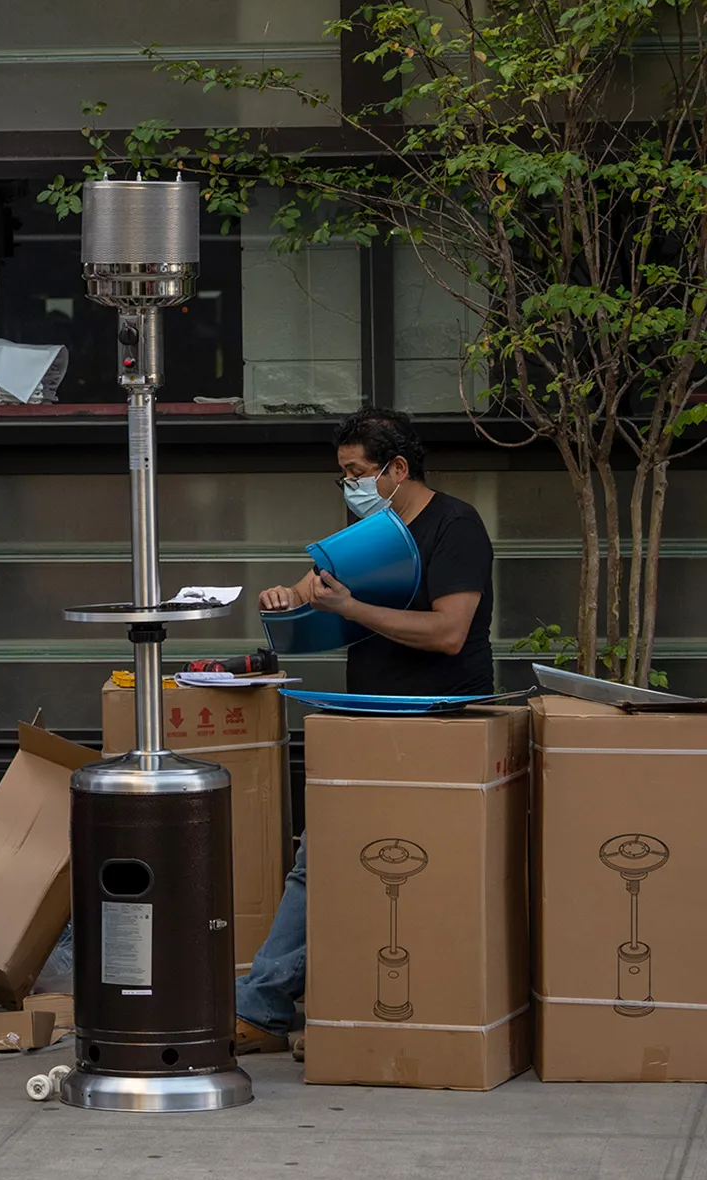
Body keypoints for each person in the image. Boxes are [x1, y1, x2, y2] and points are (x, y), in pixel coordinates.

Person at [234, 407, 495, 1056]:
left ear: (397, 469)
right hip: (370, 720)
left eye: (357, 473)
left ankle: (279, 1005)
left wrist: (348, 607)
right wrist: (288, 599)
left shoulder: (456, 527)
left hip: (438, 724)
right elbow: (315, 584)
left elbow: (449, 631)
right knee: (322, 858)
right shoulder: (370, 530)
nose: (349, 485)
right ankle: (273, 1007)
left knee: (395, 866)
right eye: (343, 475)